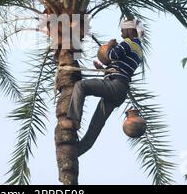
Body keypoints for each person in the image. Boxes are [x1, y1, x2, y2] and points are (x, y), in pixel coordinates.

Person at [59, 19, 144, 156]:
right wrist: (104, 69)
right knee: (97, 124)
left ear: (130, 30)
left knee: (81, 86)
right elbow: (123, 68)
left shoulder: (129, 43)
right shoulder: (138, 49)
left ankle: (73, 120)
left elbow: (113, 55)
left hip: (115, 85)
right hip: (120, 91)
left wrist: (110, 45)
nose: (121, 34)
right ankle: (77, 151)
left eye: (123, 30)